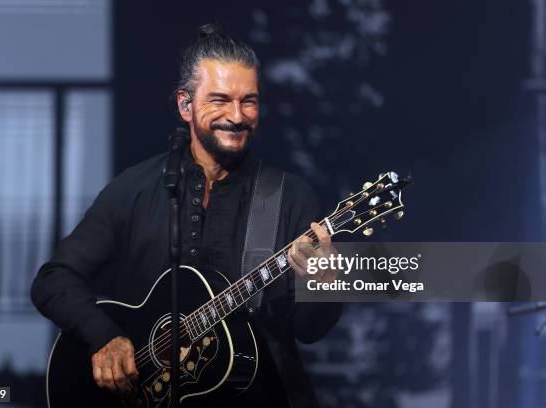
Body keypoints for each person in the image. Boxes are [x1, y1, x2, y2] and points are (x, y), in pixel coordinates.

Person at [31, 23, 343, 407]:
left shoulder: (288, 196)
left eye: (249, 101)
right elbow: (53, 280)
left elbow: (310, 331)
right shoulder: (135, 188)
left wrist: (326, 283)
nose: (237, 115)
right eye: (219, 99)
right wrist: (105, 337)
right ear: (185, 105)